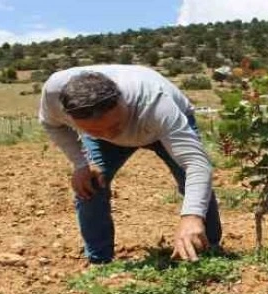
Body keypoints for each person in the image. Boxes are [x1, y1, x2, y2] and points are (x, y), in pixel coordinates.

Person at [39, 64, 222, 263]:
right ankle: (100, 262)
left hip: (156, 129)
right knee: (90, 185)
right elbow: (51, 124)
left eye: (115, 125)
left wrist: (192, 216)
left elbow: (196, 163)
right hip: (106, 143)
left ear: (123, 101)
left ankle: (208, 247)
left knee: (191, 181)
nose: (111, 134)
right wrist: (81, 163)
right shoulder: (54, 95)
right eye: (96, 130)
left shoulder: (155, 103)